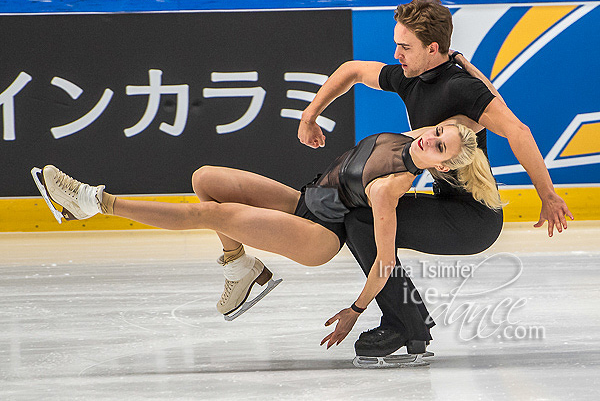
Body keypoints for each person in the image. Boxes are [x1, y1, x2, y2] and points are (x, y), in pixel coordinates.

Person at [35, 120, 499, 349]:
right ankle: (241, 270)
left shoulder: (390, 190)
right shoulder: (414, 136)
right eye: (437, 132)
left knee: (215, 214)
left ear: (441, 165)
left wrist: (355, 310)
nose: (430, 139)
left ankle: (95, 202)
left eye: (440, 146)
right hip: (303, 200)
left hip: (318, 235)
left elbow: (384, 261)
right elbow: (469, 117)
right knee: (205, 178)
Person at [297, 0, 574, 357]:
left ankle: (404, 325)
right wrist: (310, 114)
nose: (397, 53)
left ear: (432, 48)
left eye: (405, 47)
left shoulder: (460, 88)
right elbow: (351, 70)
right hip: (448, 202)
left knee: (362, 222)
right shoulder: (411, 78)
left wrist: (548, 195)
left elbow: (518, 131)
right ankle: (409, 323)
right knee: (361, 216)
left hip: (474, 219)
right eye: (397, 44)